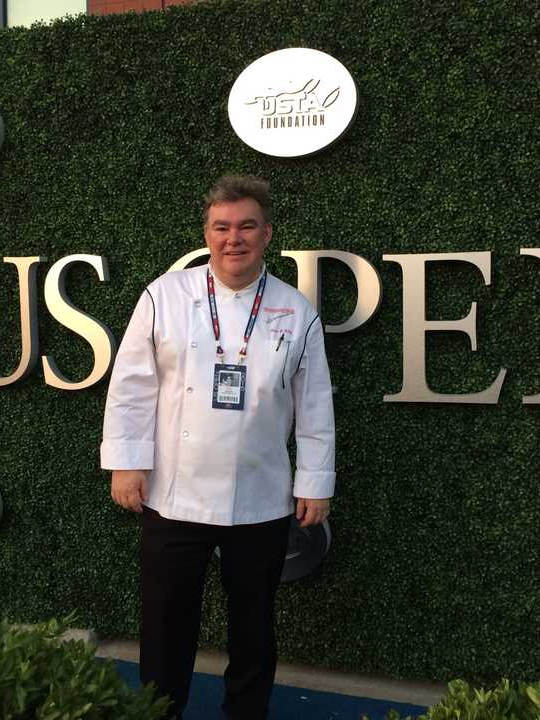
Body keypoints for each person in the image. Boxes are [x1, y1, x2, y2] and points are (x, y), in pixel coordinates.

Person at [100, 175, 335, 720]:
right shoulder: (165, 294)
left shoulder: (296, 310)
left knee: (253, 625)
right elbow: (133, 383)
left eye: (247, 226)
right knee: (164, 623)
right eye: (222, 227)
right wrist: (128, 464)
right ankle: (159, 712)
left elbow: (315, 403)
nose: (235, 238)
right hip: (173, 493)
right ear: (206, 234)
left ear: (267, 234)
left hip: (261, 495)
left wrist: (314, 483)